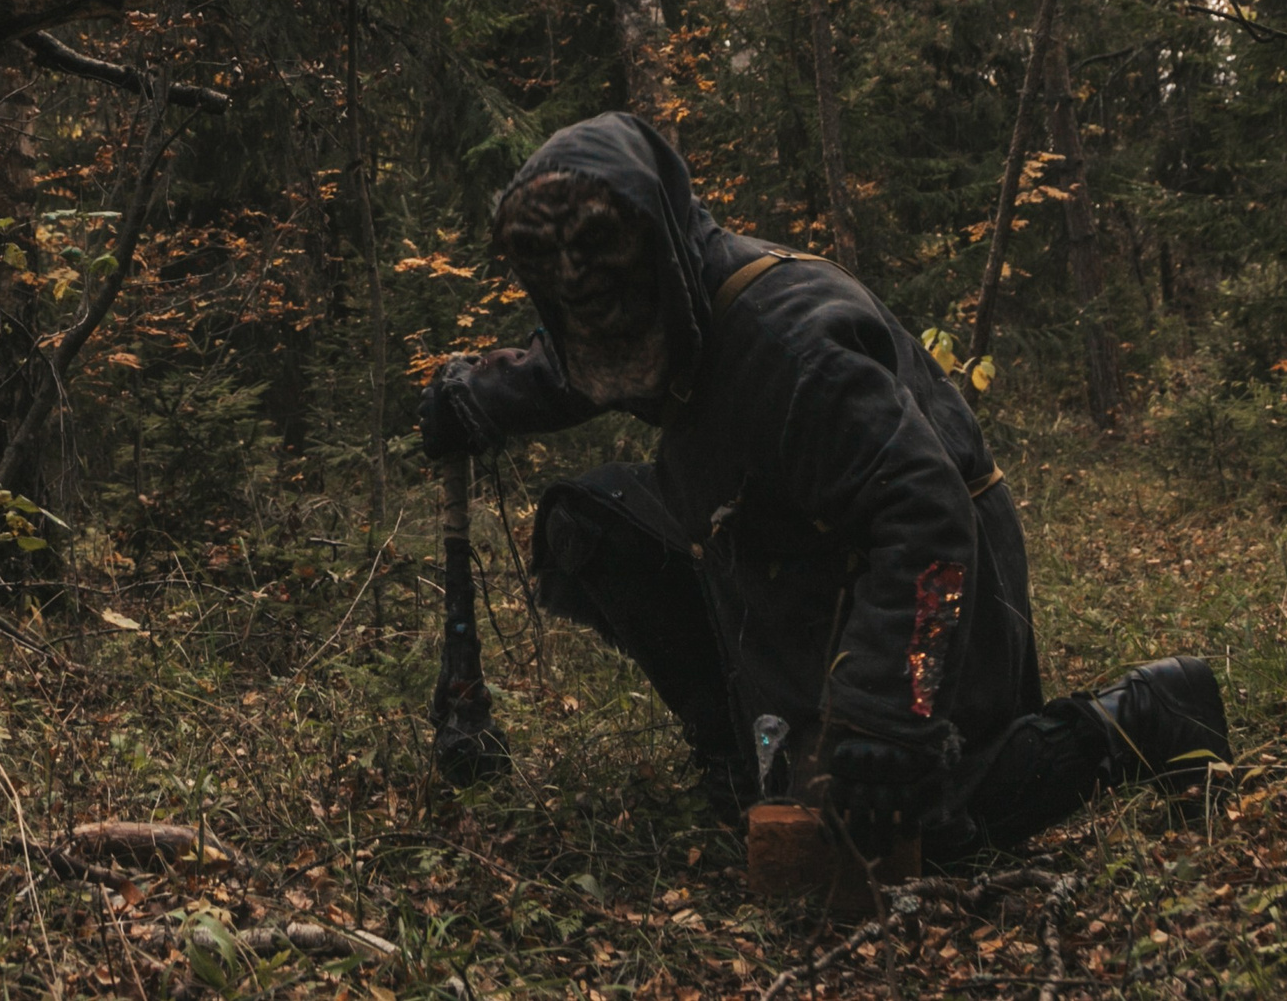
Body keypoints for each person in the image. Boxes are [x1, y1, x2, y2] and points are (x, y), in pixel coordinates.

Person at [419, 113, 1229, 861]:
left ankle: (1145, 715)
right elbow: (581, 367)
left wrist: (889, 703)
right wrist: (475, 396)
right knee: (591, 527)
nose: (605, 325)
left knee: (912, 824)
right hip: (778, 551)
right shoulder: (661, 296)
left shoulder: (792, 347)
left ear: (658, 251)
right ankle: (748, 764)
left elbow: (927, 515)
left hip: (932, 568)